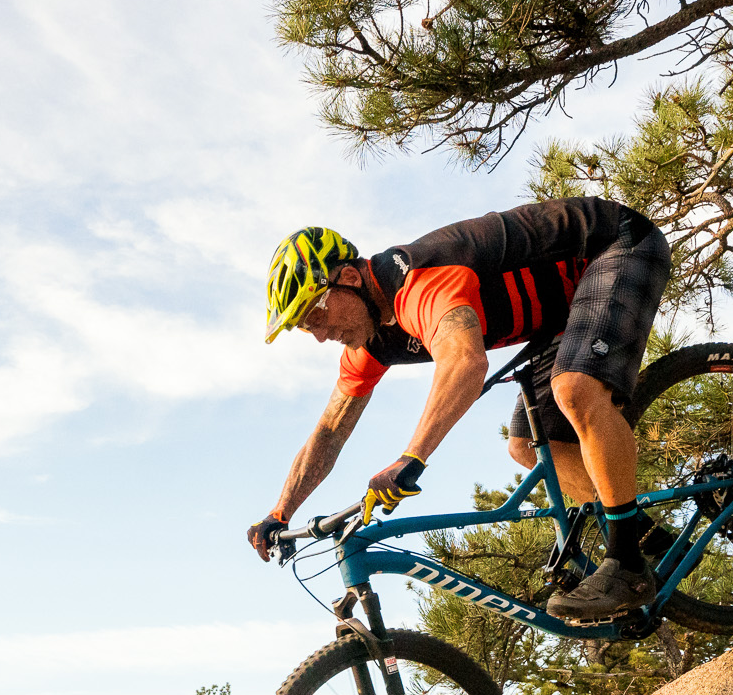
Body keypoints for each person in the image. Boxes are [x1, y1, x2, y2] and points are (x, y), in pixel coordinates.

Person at [250, 199, 674, 624]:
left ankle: (627, 566)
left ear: (347, 277)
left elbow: (466, 363)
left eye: (315, 314)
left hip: (616, 245)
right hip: (563, 314)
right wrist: (280, 511)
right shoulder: (370, 338)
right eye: (306, 328)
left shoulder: (418, 283)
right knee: (526, 446)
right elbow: (330, 430)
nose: (321, 335)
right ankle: (645, 537)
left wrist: (411, 458)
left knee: (575, 390)